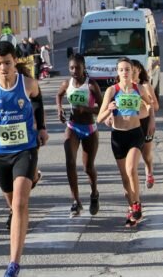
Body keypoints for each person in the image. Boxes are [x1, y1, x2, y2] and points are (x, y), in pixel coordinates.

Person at [0, 41, 47, 276]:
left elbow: (37, 101)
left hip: (25, 149)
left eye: (7, 63)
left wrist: (41, 127)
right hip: (0, 154)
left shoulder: (28, 84)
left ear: (15, 62)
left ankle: (13, 263)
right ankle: (29, 186)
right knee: (13, 205)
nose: (3, 68)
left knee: (20, 204)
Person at [97, 58, 152, 227]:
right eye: (121, 70)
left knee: (131, 169)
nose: (125, 72)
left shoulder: (139, 88)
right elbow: (99, 118)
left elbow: (151, 105)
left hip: (135, 134)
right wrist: (109, 110)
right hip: (118, 137)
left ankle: (136, 204)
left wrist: (144, 111)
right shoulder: (112, 91)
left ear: (131, 71)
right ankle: (132, 208)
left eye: (127, 69)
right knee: (125, 178)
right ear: (117, 72)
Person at [56, 54, 102, 217]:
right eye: (71, 68)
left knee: (88, 168)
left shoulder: (91, 85)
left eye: (77, 67)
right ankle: (76, 201)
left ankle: (94, 193)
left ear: (84, 67)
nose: (74, 71)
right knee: (70, 163)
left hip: (89, 128)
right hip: (73, 126)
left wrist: (86, 109)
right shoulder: (66, 83)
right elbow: (59, 95)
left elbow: (102, 108)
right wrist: (60, 109)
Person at [133, 60, 160, 188]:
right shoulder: (122, 87)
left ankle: (149, 171)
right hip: (130, 124)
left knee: (146, 153)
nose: (132, 72)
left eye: (135, 70)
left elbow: (156, 105)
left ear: (139, 71)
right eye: (129, 70)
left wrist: (147, 103)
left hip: (145, 122)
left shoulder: (145, 85)